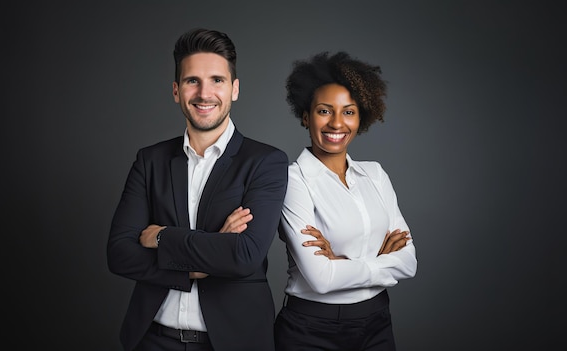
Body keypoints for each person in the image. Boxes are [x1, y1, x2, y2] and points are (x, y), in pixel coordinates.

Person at [107, 28, 288, 351]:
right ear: (176, 90)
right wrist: (197, 266)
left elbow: (245, 255)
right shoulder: (150, 160)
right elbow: (119, 254)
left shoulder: (266, 162)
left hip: (233, 342)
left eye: (217, 80)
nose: (204, 93)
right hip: (152, 339)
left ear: (234, 89)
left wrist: (162, 237)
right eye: (193, 81)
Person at [274, 51, 418, 351]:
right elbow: (321, 279)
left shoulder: (375, 175)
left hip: (377, 323)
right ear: (305, 116)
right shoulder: (293, 180)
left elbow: (408, 262)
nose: (336, 123)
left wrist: (343, 263)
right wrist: (379, 263)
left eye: (348, 112)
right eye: (324, 111)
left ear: (361, 116)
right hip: (311, 331)